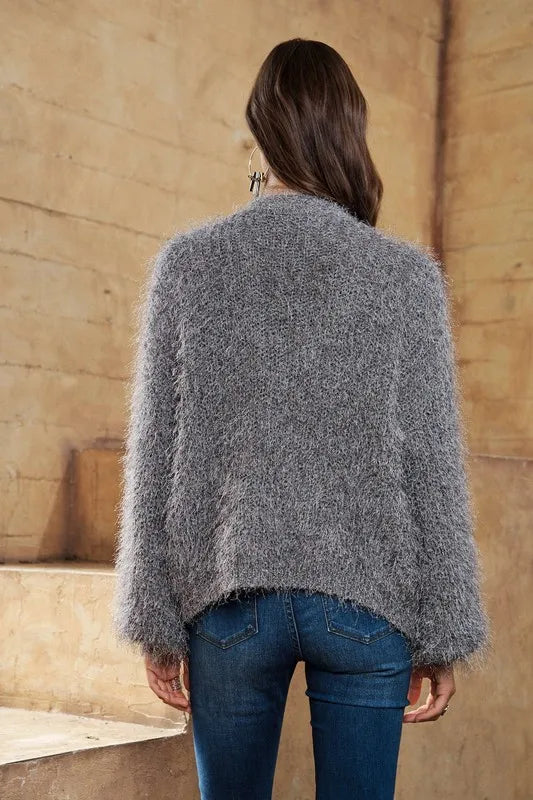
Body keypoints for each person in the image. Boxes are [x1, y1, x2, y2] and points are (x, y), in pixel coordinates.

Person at [112, 38, 490, 800]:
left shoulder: (189, 264)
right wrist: (444, 629)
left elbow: (154, 452)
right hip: (367, 605)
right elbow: (432, 466)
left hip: (228, 604)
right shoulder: (404, 277)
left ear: (260, 130)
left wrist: (153, 616)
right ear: (349, 130)